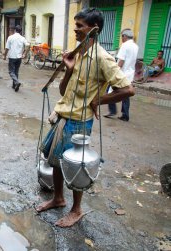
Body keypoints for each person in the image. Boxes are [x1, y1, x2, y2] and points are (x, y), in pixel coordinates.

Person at [35, 8, 135, 227]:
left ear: (94, 29)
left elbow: (127, 89)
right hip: (62, 115)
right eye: (75, 24)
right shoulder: (77, 53)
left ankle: (77, 209)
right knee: (55, 160)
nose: (75, 29)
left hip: (80, 121)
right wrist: (69, 69)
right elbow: (63, 91)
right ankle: (59, 198)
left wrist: (98, 100)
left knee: (76, 166)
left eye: (80, 26)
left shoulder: (102, 58)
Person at [104, 29, 138, 121]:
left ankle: (112, 111)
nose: (121, 38)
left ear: (125, 36)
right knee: (125, 94)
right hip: (130, 74)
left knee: (109, 91)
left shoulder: (125, 45)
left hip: (121, 74)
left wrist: (113, 72)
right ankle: (125, 115)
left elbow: (121, 61)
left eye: (122, 36)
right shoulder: (135, 46)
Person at [3, 25, 29, 92]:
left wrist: (4, 55)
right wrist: (25, 54)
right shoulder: (22, 38)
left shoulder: (10, 37)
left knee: (11, 71)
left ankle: (16, 83)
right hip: (19, 57)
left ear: (15, 30)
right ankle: (14, 85)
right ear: (21, 31)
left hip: (12, 57)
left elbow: (7, 48)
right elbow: (28, 45)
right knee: (16, 71)